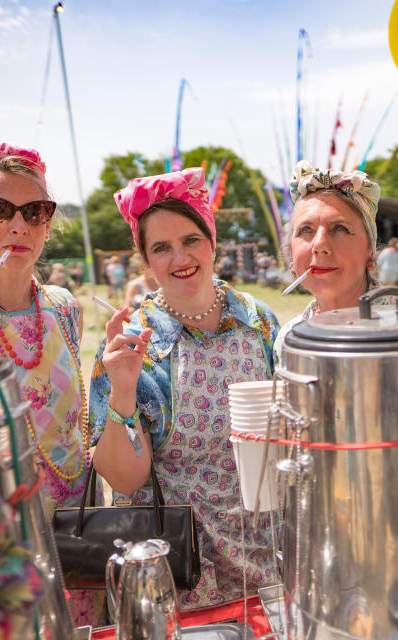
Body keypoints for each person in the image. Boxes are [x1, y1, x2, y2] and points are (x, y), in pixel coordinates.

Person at [89, 168, 280, 611]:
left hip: (266, 561)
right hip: (177, 576)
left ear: (211, 240)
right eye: (161, 247)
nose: (180, 257)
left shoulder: (259, 321)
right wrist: (122, 388)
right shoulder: (133, 343)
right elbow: (123, 477)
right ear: (146, 261)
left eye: (190, 240)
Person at [0, 142, 102, 625]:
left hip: (78, 528)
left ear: (48, 223)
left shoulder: (64, 306)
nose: (18, 225)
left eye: (35, 211)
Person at [278, 161, 398, 348]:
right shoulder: (288, 340)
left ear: (370, 252)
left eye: (340, 228)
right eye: (305, 230)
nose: (319, 244)